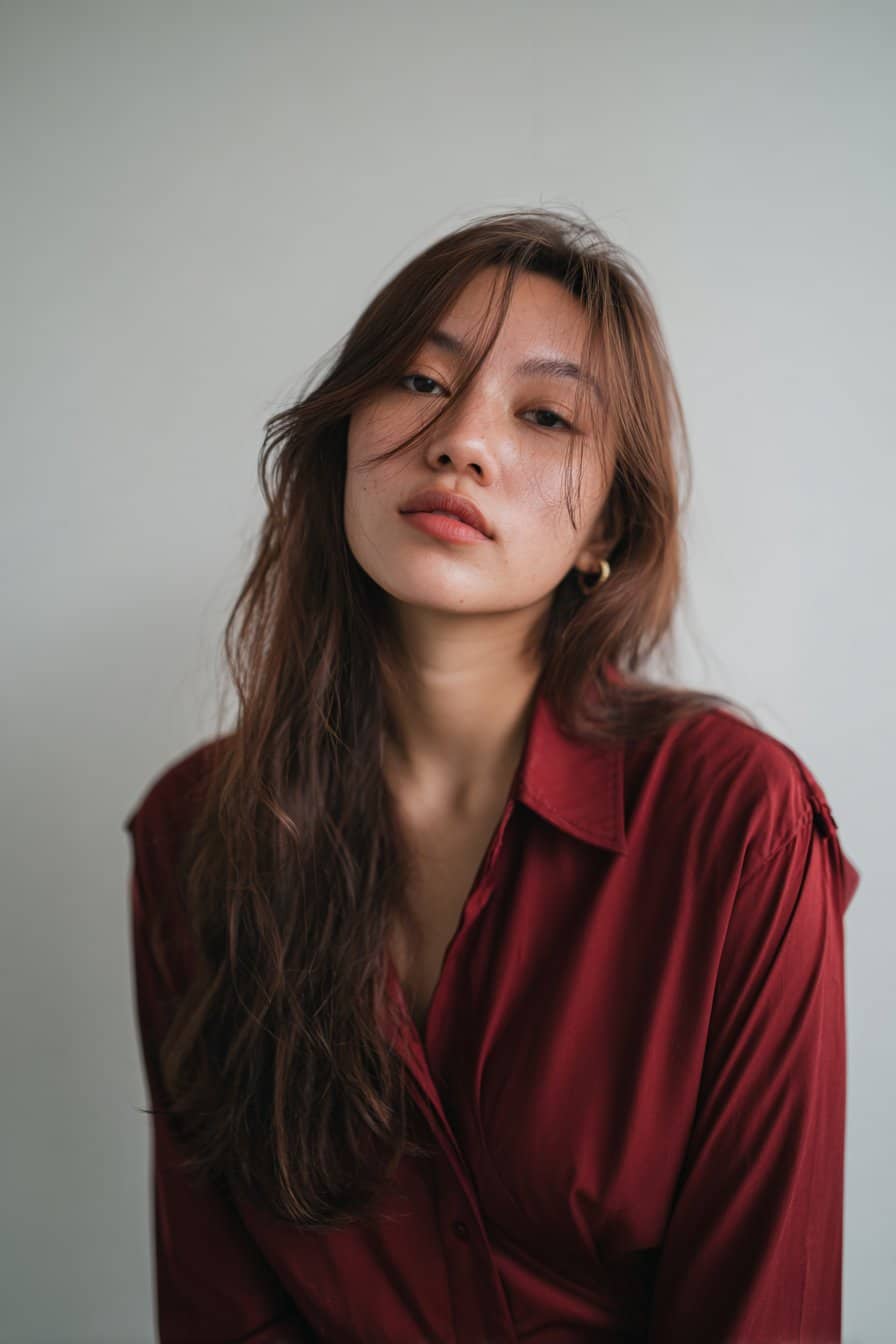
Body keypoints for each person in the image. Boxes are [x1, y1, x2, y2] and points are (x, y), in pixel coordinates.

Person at [124, 207, 861, 1343]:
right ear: (342, 442)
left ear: (604, 529)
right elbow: (219, 1307)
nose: (462, 440)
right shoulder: (197, 829)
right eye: (420, 382)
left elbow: (765, 1310)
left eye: (546, 415)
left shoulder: (737, 822)